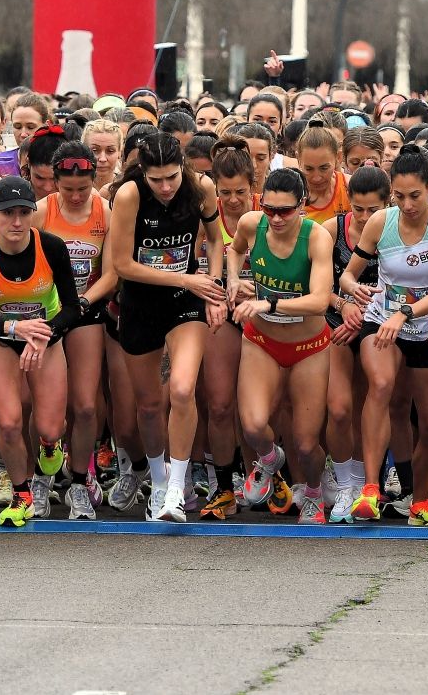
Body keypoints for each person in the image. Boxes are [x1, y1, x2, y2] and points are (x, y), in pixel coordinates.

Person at [339, 145, 428, 526]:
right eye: (399, 196)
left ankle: (421, 501)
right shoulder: (380, 223)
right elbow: (348, 273)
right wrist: (352, 288)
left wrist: (407, 311)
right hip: (382, 322)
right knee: (380, 384)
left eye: (416, 196)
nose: (407, 205)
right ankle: (371, 489)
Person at [109, 132, 227, 522]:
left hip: (185, 303)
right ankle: (158, 480)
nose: (164, 187)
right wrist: (184, 279)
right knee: (148, 404)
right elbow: (123, 265)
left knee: (180, 388)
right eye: (155, 179)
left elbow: (215, 240)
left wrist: (210, 285)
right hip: (141, 304)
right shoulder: (129, 195)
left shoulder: (202, 186)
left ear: (184, 169)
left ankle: (177, 486)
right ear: (142, 173)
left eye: (172, 177)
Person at [0, 176, 81, 527]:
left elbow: (72, 307)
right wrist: (12, 328)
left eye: (24, 213)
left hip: (46, 340)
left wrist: (45, 333)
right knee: (9, 423)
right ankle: (22, 493)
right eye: (8, 213)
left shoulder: (52, 247)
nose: (16, 222)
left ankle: (50, 444)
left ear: (33, 215)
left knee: (51, 427)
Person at [229, 169, 335, 524]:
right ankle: (270, 459)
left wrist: (268, 303)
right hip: (262, 341)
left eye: (285, 211)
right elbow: (235, 249)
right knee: (254, 426)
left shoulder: (316, 237)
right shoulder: (250, 223)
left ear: (302, 206)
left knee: (306, 443)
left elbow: (320, 300)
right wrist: (233, 277)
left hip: (309, 346)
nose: (274, 218)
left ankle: (315, 491)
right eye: (269, 209)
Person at [34, 142, 114, 520]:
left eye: (84, 188)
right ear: (56, 183)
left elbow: (112, 272)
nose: (77, 196)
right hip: (47, 315)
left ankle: (80, 482)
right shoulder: (42, 212)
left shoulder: (104, 211)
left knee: (84, 405)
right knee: (48, 406)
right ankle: (42, 475)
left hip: (85, 310)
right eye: (68, 189)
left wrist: (81, 304)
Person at [320, 165, 390, 523]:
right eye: (358, 208)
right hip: (337, 323)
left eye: (372, 210)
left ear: (387, 204)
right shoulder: (333, 230)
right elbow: (317, 287)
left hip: (377, 326)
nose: (364, 217)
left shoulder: (393, 230)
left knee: (370, 404)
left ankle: (366, 484)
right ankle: (344, 483)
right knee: (340, 408)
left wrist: (361, 317)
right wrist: (343, 306)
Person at [196, 138, 256, 521]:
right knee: (219, 405)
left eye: (241, 192)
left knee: (257, 411)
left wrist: (257, 287)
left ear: (255, 187)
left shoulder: (270, 215)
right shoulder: (204, 220)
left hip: (262, 317)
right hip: (217, 313)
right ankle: (223, 487)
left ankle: (264, 475)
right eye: (225, 192)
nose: (233, 200)